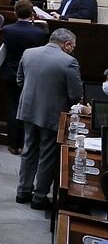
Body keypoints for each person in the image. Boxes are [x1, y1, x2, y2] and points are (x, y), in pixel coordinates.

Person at [16, 29, 82, 209]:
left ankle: (22, 192)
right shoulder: (69, 62)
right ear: (67, 44)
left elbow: (20, 81)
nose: (73, 50)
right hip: (52, 114)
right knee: (47, 155)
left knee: (29, 150)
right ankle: (39, 197)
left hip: (28, 109)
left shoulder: (29, 53)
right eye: (73, 47)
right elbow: (76, 95)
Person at [1, 0, 50, 155]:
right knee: (28, 110)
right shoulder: (39, 33)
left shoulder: (7, 30)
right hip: (31, 75)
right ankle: (24, 144)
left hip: (11, 72)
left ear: (15, 13)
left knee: (12, 107)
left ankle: (12, 144)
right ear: (32, 14)